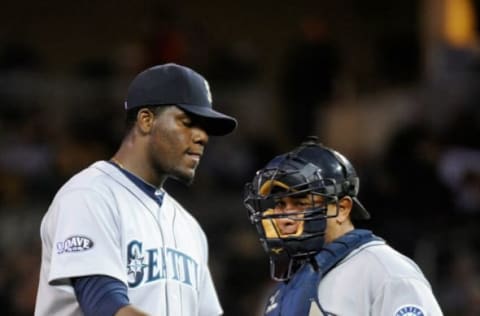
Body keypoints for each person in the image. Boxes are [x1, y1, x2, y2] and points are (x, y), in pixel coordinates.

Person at [35, 63, 237, 316]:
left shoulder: (189, 228)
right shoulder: (89, 195)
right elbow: (105, 305)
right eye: (187, 122)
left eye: (205, 128)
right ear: (146, 120)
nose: (202, 137)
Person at [243, 136, 443, 316]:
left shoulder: (384, 271)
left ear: (343, 208)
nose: (285, 217)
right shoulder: (287, 286)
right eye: (280, 205)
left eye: (301, 204)